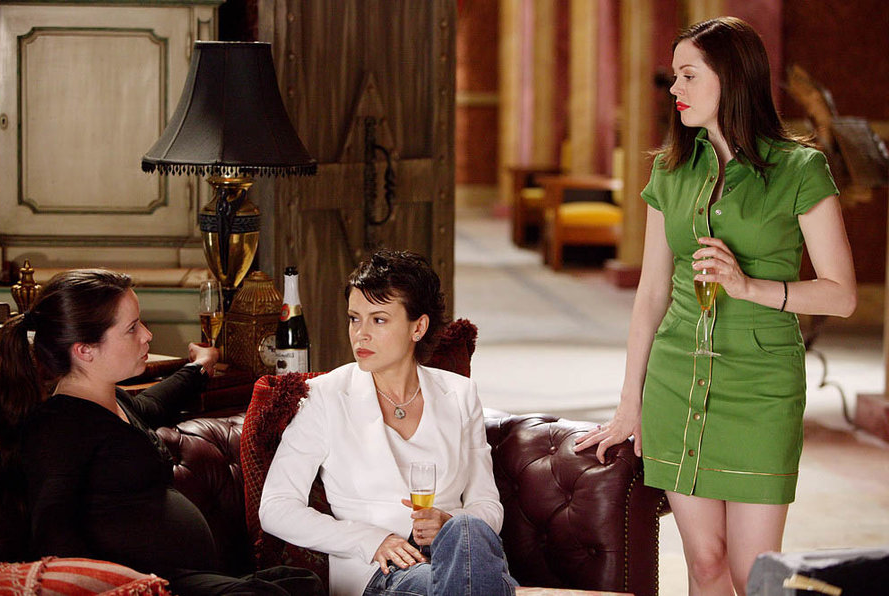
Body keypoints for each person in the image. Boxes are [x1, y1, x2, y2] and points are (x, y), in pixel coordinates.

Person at [575, 17, 856, 596]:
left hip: (762, 387)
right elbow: (652, 293)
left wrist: (750, 287)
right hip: (676, 382)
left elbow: (842, 293)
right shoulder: (669, 170)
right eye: (674, 76)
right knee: (704, 563)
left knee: (754, 572)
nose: (674, 89)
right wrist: (630, 403)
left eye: (688, 75)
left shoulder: (800, 169)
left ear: (731, 77)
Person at [0, 269, 324, 596]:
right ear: (85, 350)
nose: (147, 335)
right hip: (144, 586)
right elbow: (53, 537)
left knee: (302, 583)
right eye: (132, 328)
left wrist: (200, 366)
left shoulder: (115, 402)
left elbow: (154, 404)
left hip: (186, 575)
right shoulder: (56, 428)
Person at [259, 249, 517, 596]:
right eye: (354, 318)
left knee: (466, 531)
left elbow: (487, 505)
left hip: (456, 559)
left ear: (418, 327)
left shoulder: (460, 394)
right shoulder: (324, 396)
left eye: (378, 320)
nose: (360, 334)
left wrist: (447, 524)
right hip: (381, 573)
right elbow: (275, 508)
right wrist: (371, 540)